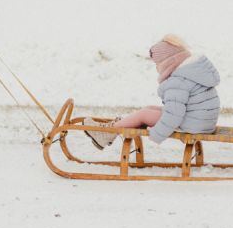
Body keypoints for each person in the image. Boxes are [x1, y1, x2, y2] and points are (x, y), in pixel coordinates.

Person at [87, 34, 220, 149]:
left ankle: (106, 134)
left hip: (193, 125)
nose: (157, 68)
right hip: (202, 122)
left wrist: (157, 134)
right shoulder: (193, 72)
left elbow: (174, 113)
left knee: (144, 114)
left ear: (168, 63)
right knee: (149, 109)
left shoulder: (178, 81)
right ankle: (114, 127)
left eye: (158, 64)